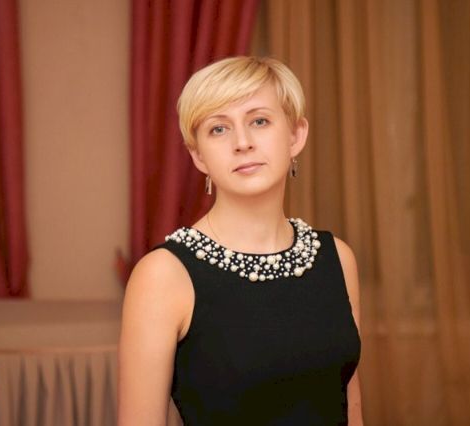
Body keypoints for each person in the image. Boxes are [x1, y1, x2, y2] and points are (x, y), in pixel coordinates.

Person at [118, 56, 363, 425]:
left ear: (295, 135)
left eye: (259, 121)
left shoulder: (338, 259)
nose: (242, 142)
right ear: (198, 155)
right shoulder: (162, 275)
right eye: (219, 129)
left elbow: (351, 410)